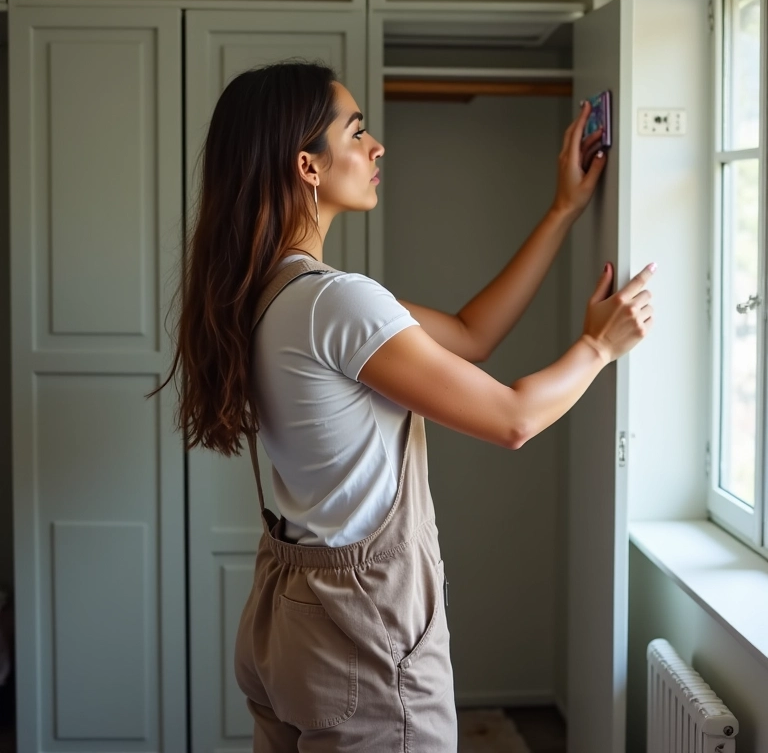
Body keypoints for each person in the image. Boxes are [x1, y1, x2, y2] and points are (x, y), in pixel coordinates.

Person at [154, 61, 655, 752]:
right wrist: (598, 348)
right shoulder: (336, 302)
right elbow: (513, 419)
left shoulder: (268, 293)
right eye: (356, 131)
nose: (375, 147)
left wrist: (563, 209)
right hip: (361, 647)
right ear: (307, 164)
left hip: (288, 631)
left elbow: (471, 334)